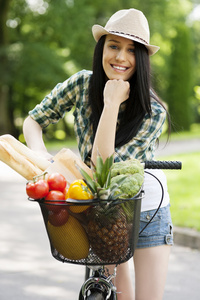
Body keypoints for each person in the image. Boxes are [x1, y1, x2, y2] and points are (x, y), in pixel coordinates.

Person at [23, 8, 173, 300]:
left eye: (131, 50)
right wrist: (41, 157)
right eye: (113, 46)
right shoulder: (81, 83)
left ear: (141, 58)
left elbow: (103, 165)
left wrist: (112, 102)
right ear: (101, 48)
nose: (120, 57)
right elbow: (33, 120)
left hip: (147, 209)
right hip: (101, 209)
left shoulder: (153, 111)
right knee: (117, 296)